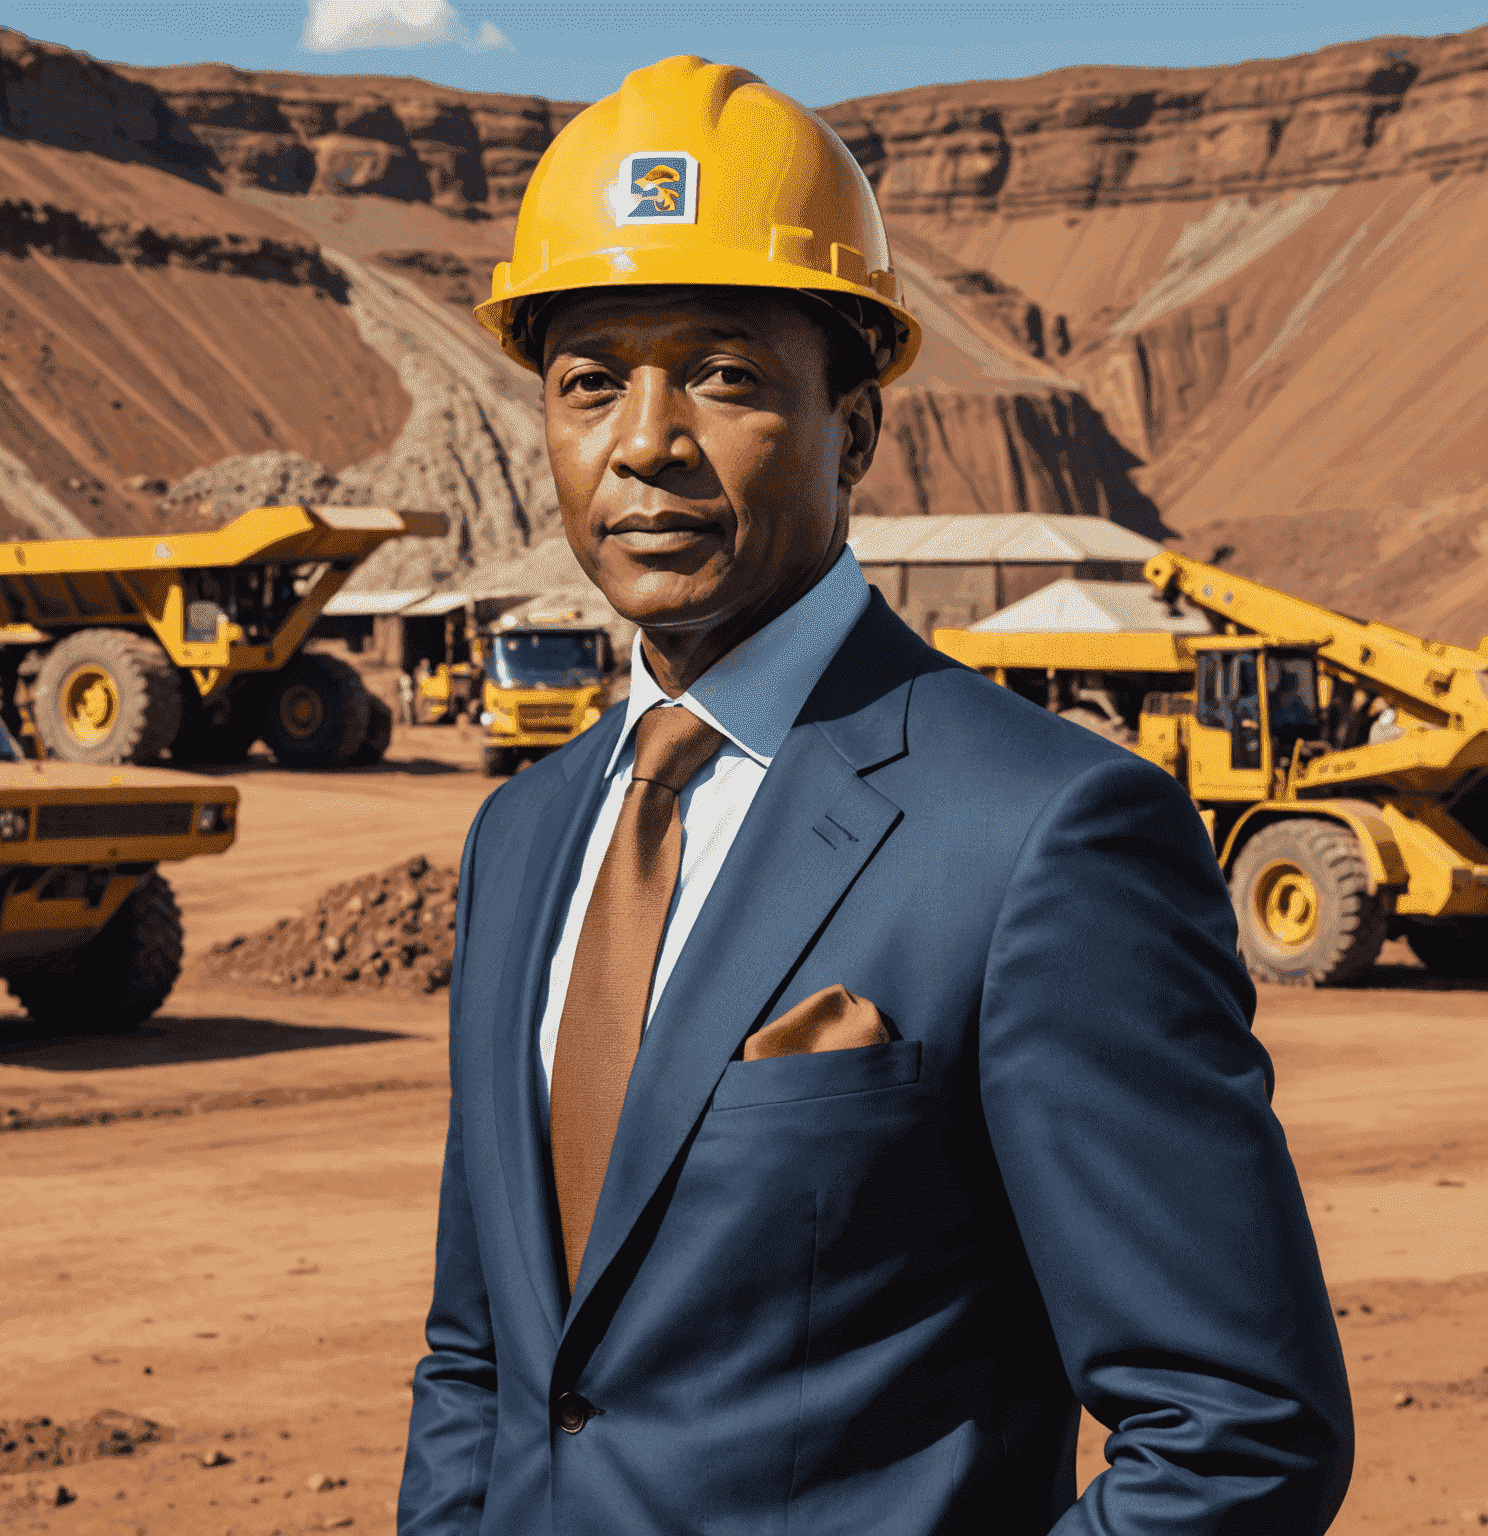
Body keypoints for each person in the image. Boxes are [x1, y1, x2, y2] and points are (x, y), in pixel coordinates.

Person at [399, 56, 1352, 1535]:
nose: (643, 440)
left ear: (856, 427)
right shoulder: (518, 840)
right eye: (590, 379)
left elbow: (1238, 1432)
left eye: (724, 375)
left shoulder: (1044, 835)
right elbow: (486, 1360)